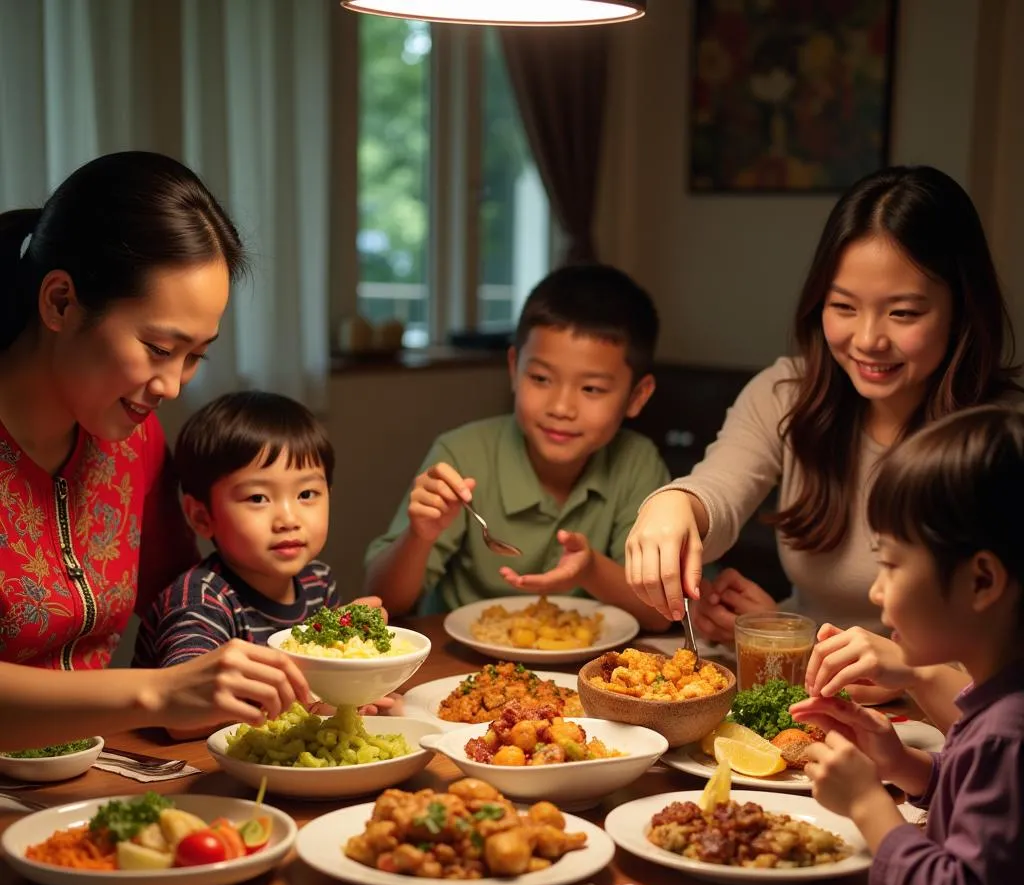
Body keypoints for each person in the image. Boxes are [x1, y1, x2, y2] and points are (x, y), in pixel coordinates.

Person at [624, 165, 1020, 720]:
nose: (867, 339)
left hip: (944, 732)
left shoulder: (1003, 435)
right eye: (843, 307)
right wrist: (673, 505)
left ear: (961, 308)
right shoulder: (788, 393)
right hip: (813, 709)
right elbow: (720, 487)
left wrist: (910, 671)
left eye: (903, 312)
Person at [0, 151, 309, 751]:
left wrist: (325, 654)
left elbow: (188, 602)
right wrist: (155, 693)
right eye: (158, 347)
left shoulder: (133, 438)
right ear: (60, 302)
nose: (173, 386)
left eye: (196, 355)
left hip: (88, 775)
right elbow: (168, 687)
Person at [792, 405, 1024, 885]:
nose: (875, 590)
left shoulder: (1007, 733)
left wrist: (870, 806)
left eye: (891, 564)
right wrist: (907, 765)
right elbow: (998, 821)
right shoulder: (1000, 704)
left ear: (981, 581)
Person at [363, 263, 671, 631]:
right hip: (461, 667)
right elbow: (380, 603)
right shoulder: (463, 453)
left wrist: (590, 570)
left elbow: (660, 613)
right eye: (540, 378)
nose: (561, 408)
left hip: (589, 673)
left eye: (591, 389)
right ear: (514, 368)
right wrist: (419, 536)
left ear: (637, 396)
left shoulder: (636, 464)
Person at [132, 390, 392, 736]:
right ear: (201, 516)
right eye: (258, 498)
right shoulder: (201, 598)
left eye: (306, 494)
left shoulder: (318, 582)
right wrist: (309, 701)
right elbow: (184, 718)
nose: (288, 519)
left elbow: (317, 691)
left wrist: (349, 666)